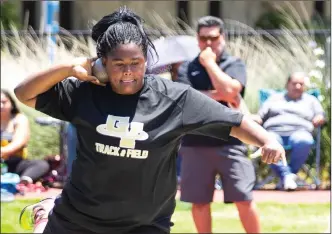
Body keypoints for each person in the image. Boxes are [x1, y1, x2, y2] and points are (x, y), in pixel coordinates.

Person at [14, 7, 285, 234]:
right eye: (119, 64)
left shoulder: (175, 99)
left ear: (147, 61)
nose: (129, 72)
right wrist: (68, 67)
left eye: (137, 62)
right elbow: (23, 94)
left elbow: (234, 121)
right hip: (80, 218)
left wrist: (267, 139)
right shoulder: (84, 92)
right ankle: (47, 216)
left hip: (146, 223)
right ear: (102, 63)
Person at [176, 16, 260, 233]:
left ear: (222, 37)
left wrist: (210, 64)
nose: (209, 43)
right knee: (200, 202)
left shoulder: (235, 64)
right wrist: (220, 94)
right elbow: (187, 100)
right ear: (197, 39)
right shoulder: (186, 68)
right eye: (204, 38)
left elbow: (232, 92)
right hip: (195, 142)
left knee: (244, 198)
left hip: (232, 142)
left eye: (213, 38)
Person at [251, 72, 325, 190]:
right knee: (268, 144)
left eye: (301, 84)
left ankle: (286, 177)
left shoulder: (311, 100)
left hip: (300, 132)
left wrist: (319, 118)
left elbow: (320, 115)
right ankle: (289, 176)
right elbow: (260, 116)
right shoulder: (274, 98)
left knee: (304, 141)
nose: (298, 87)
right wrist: (250, 118)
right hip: (274, 132)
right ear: (287, 84)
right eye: (294, 83)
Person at [1, 89, 50, 184]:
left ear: (11, 103)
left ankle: (23, 181)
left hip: (16, 163)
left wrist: (3, 151)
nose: (1, 106)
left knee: (41, 164)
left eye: (4, 102)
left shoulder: (19, 119)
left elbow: (19, 142)